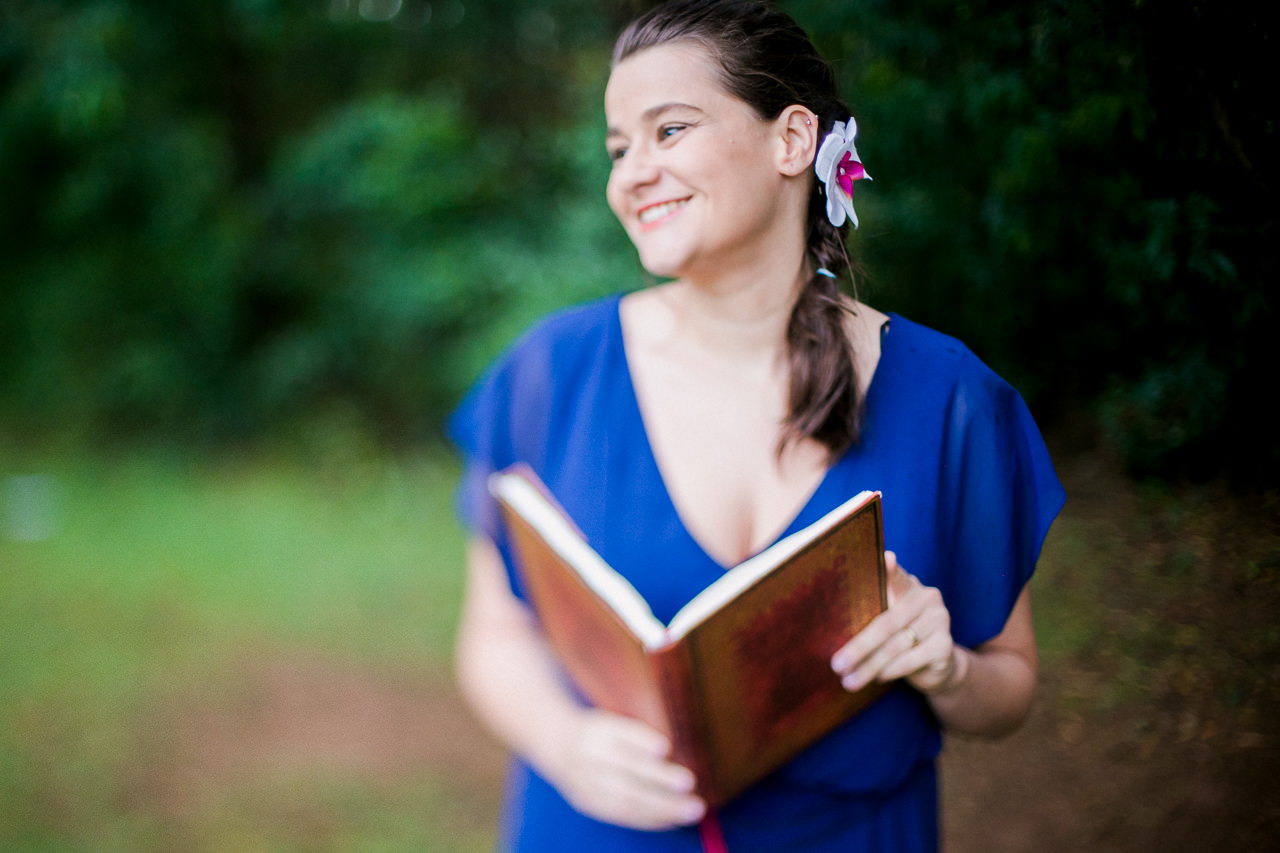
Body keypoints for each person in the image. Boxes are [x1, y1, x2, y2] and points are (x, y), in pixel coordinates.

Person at [448, 1, 1065, 850]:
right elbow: (492, 635)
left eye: (669, 130)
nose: (630, 173)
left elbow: (1011, 685)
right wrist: (565, 743)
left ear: (792, 140)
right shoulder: (551, 374)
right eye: (620, 148)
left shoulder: (953, 400)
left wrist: (946, 664)